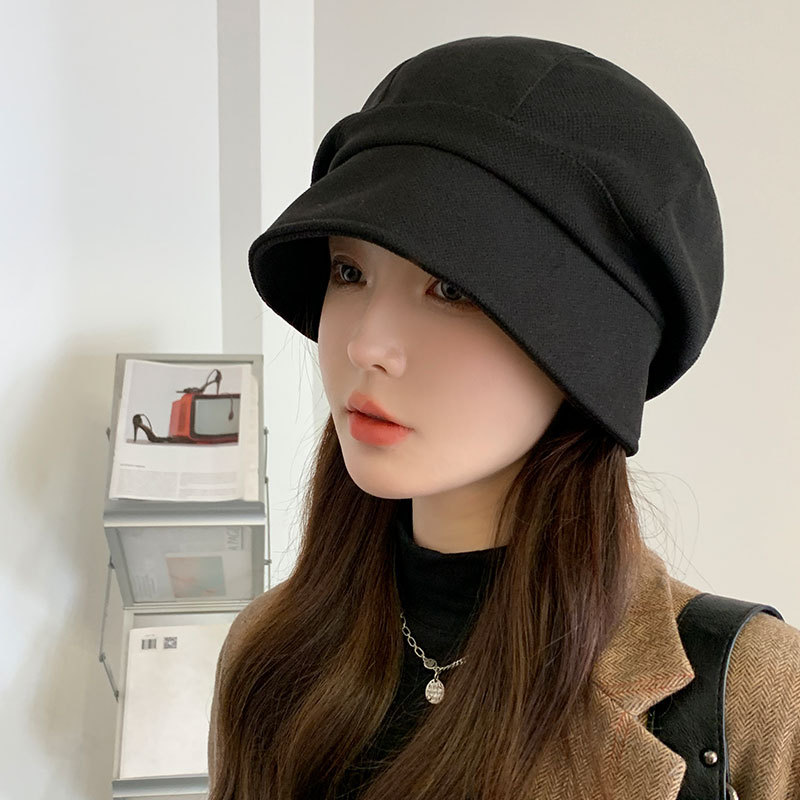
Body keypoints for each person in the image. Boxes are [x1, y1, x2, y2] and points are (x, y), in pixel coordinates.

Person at [207, 36, 800, 800]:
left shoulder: (751, 698)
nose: (365, 343)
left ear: (584, 352)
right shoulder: (266, 653)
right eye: (349, 271)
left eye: (452, 289)